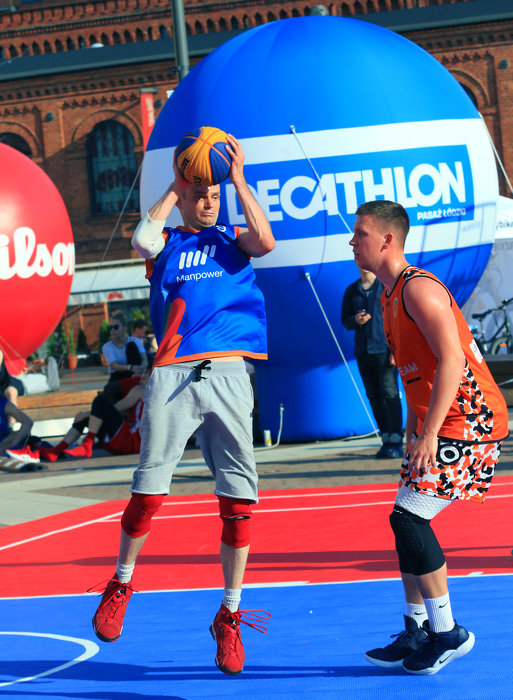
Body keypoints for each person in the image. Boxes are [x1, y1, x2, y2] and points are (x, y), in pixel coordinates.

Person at [90, 133, 275, 676]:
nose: (208, 200)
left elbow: (266, 241)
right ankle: (121, 583)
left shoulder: (234, 239)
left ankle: (230, 614)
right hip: (172, 372)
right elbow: (141, 238)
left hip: (229, 372)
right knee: (148, 492)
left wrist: (237, 179)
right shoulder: (168, 242)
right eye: (200, 193)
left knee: (238, 501)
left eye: (213, 194)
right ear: (185, 195)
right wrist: (177, 184)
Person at [349, 200, 509, 675]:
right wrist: (413, 427)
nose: (352, 241)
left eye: (360, 233)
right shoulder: (387, 295)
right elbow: (414, 371)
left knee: (409, 519)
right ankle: (417, 628)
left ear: (387, 240)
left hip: (471, 421)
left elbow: (453, 360)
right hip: (439, 423)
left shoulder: (419, 288)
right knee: (404, 521)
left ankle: (447, 632)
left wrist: (432, 432)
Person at [9, 370, 151, 463]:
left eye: (144, 378)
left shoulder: (142, 389)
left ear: (152, 377)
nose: (140, 380)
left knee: (100, 401)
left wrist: (87, 413)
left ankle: (87, 444)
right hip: (131, 442)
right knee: (89, 417)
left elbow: (119, 407)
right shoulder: (153, 392)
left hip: (129, 440)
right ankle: (56, 451)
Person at [342, 267, 403, 458]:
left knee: (390, 394)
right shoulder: (352, 290)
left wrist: (396, 350)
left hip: (384, 350)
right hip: (364, 351)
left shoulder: (385, 287)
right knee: (374, 396)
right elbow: (345, 320)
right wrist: (355, 320)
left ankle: (396, 440)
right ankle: (385, 438)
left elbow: (397, 318)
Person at [102, 311, 147, 382]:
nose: (112, 330)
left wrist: (139, 370)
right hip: (117, 377)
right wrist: (130, 367)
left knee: (131, 345)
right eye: (110, 327)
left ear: (124, 328)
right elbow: (114, 365)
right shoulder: (107, 346)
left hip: (136, 374)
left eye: (116, 327)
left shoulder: (135, 341)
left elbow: (144, 359)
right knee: (110, 388)